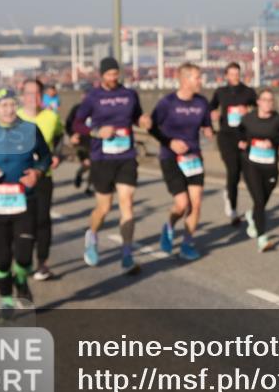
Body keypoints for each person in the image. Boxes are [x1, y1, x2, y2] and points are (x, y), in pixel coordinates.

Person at [0, 88, 51, 320]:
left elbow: (45, 157)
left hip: (24, 201)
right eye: (3, 105)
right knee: (2, 258)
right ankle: (6, 302)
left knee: (24, 257)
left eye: (12, 104)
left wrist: (38, 172)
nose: (8, 110)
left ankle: (22, 280)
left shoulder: (30, 130)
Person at [74, 57, 152, 274]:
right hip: (102, 158)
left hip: (126, 156)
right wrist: (97, 132)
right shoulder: (93, 97)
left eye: (115, 73)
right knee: (104, 208)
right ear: (101, 75)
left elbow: (136, 117)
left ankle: (127, 253)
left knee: (127, 203)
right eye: (109, 74)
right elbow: (77, 124)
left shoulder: (129, 94)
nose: (113, 78)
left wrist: (142, 121)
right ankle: (92, 235)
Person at [150, 62, 213, 261]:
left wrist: (209, 131)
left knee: (196, 203)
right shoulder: (167, 103)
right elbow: (153, 127)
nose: (201, 81)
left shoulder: (202, 102)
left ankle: (187, 243)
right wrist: (170, 142)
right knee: (181, 204)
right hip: (171, 158)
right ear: (185, 80)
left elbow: (206, 124)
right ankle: (169, 226)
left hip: (193, 158)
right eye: (197, 77)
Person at [18, 79, 65, 281]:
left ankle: (42, 263)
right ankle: (23, 261)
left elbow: (60, 138)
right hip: (18, 179)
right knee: (22, 222)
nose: (33, 98)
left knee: (43, 219)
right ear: (22, 96)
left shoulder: (51, 117)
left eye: (37, 93)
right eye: (29, 93)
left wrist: (56, 155)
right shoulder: (14, 117)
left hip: (44, 176)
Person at [238, 88, 279, 252]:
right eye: (265, 100)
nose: (268, 103)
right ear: (258, 102)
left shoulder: (278, 119)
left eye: (271, 100)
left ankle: (252, 215)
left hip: (270, 166)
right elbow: (240, 132)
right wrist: (242, 141)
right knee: (260, 201)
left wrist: (274, 141)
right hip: (251, 164)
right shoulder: (249, 118)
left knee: (263, 199)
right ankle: (262, 238)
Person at [209, 62, 256, 226]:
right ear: (226, 76)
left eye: (237, 74)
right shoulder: (220, 92)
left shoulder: (248, 92)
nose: (234, 77)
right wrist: (212, 114)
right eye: (231, 74)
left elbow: (260, 110)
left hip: (244, 136)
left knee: (247, 172)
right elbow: (210, 108)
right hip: (226, 136)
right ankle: (233, 210)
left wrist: (249, 111)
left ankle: (231, 194)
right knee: (233, 169)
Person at [65, 97, 94, 196]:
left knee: (94, 164)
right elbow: (69, 123)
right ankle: (79, 173)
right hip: (81, 141)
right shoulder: (77, 109)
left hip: (94, 141)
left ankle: (90, 186)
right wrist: (72, 135)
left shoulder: (98, 109)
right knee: (87, 163)